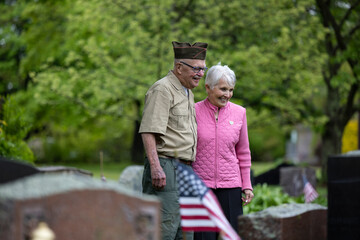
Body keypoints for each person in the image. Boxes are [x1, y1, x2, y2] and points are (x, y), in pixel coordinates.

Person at [139, 41, 208, 240]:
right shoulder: (162, 89)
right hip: (166, 167)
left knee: (185, 232)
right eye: (196, 68)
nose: (200, 74)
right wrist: (155, 167)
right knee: (163, 230)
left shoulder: (187, 92)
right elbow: (148, 131)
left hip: (185, 169)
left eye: (203, 69)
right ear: (179, 67)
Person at [192, 63, 254, 240]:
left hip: (231, 186)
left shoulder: (240, 113)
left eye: (231, 90)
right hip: (201, 186)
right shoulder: (193, 111)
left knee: (231, 236)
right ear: (208, 88)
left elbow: (243, 152)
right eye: (223, 89)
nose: (227, 95)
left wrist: (247, 185)